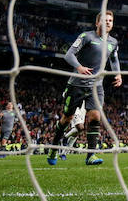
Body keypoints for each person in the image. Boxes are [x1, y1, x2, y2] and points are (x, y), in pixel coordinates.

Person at [46, 11, 122, 166]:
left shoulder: (113, 42)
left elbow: (114, 59)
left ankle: (91, 155)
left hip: (96, 86)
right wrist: (79, 67)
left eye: (110, 20)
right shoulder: (86, 36)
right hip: (77, 84)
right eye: (104, 20)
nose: (108, 22)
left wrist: (118, 74)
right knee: (66, 118)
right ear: (97, 23)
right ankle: (54, 148)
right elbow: (69, 55)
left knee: (95, 117)